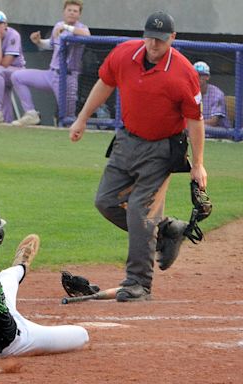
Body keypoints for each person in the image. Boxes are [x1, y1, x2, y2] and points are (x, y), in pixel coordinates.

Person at [69, 11, 207, 302]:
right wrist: (82, 119)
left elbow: (195, 120)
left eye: (160, 39)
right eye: (149, 38)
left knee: (138, 211)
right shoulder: (124, 54)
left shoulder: (183, 73)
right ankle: (168, 229)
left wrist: (198, 165)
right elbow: (105, 84)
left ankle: (138, 283)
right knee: (105, 201)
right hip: (126, 141)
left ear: (172, 38)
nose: (153, 45)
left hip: (162, 149)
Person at [0, 204, 89, 373]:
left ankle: (21, 266)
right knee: (82, 335)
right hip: (12, 341)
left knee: (5, 278)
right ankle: (20, 267)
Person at [11, 0, 90, 126]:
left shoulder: (80, 27)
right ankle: (31, 114)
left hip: (67, 77)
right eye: (69, 10)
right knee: (17, 76)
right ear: (64, 11)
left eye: (75, 11)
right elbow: (51, 45)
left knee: (67, 118)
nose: (72, 13)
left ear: (79, 15)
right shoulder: (58, 25)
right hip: (51, 74)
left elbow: (87, 35)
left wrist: (65, 27)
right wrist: (38, 41)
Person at [193, 61, 232, 128]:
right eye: (195, 75)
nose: (197, 77)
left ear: (207, 77)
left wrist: (192, 123)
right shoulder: (188, 92)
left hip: (218, 135)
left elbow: (213, 122)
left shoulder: (217, 94)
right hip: (198, 131)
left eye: (200, 75)